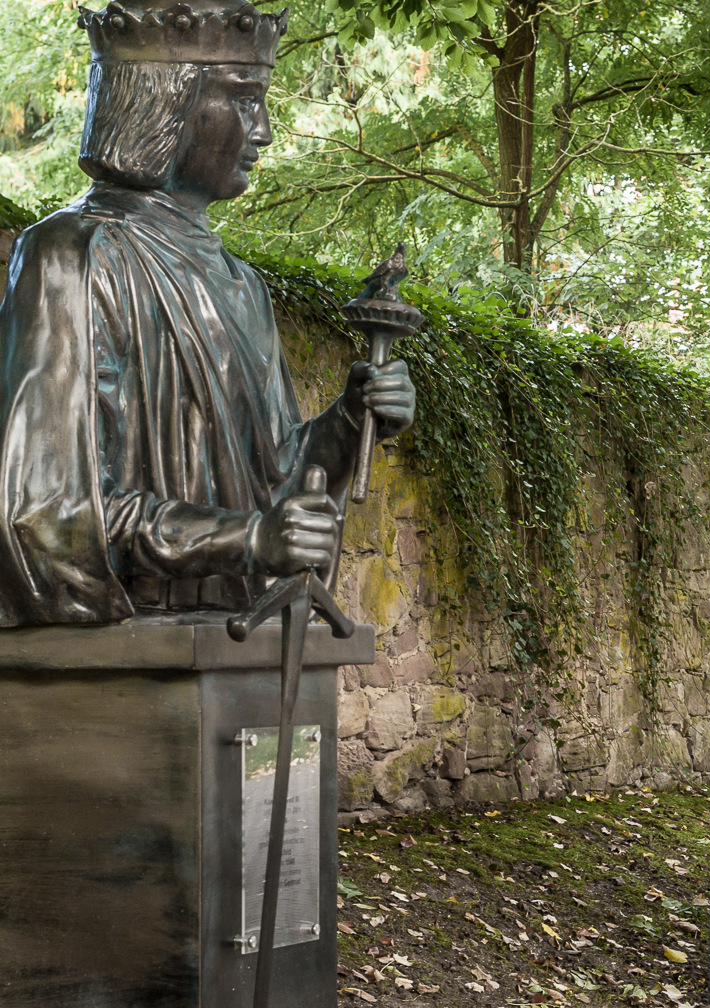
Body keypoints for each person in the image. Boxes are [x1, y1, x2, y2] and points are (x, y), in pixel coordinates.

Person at [0, 0, 415, 626]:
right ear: (167, 103)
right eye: (245, 101)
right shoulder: (73, 256)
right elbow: (47, 513)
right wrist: (246, 540)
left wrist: (350, 423)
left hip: (236, 642)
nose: (266, 130)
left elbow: (271, 480)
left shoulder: (242, 285)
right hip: (126, 653)